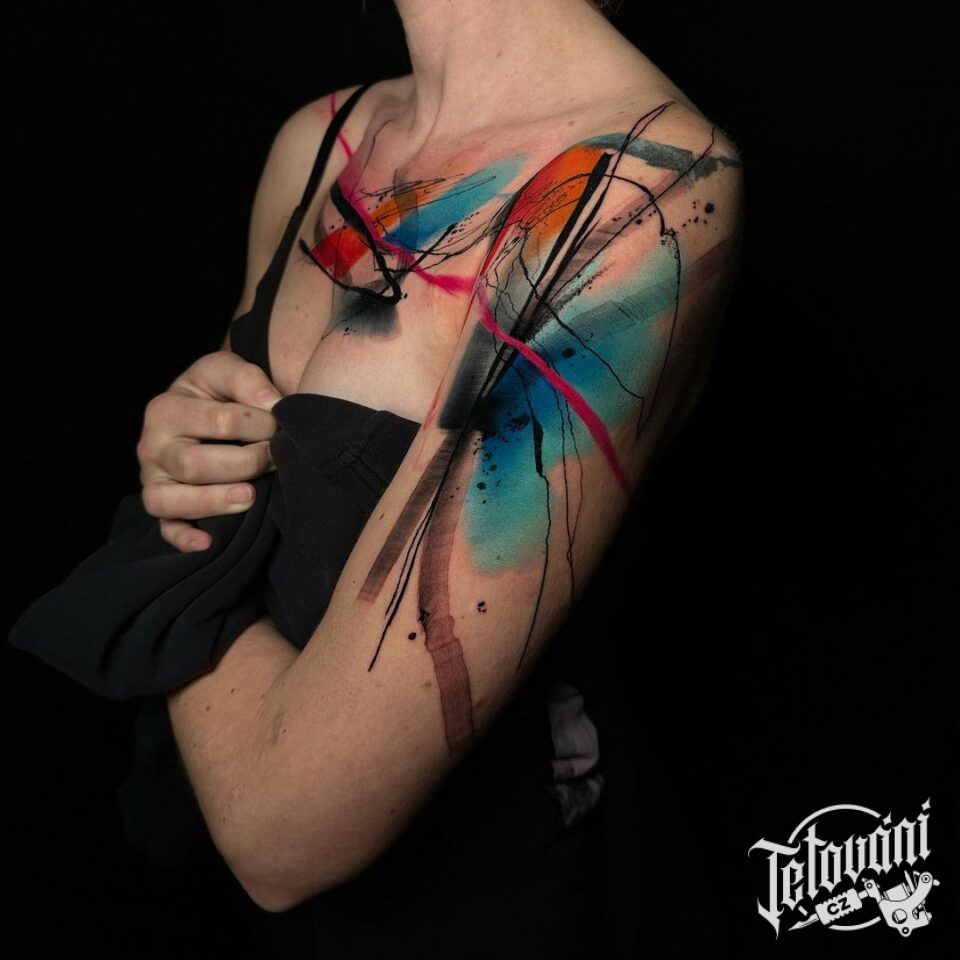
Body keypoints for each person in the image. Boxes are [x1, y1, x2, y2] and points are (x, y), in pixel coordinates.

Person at [14, 0, 744, 955]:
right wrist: (186, 462)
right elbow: (225, 493)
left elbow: (283, 829)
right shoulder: (323, 141)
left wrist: (159, 558)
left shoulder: (643, 198)